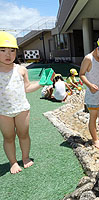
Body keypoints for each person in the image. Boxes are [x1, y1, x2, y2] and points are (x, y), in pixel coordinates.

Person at [0, 31, 43, 174]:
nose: (8, 54)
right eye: (3, 50)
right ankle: (13, 162)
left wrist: (42, 83)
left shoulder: (21, 70)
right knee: (8, 137)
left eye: (12, 51)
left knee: (24, 134)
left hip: (22, 109)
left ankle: (25, 157)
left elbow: (27, 88)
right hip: (3, 112)